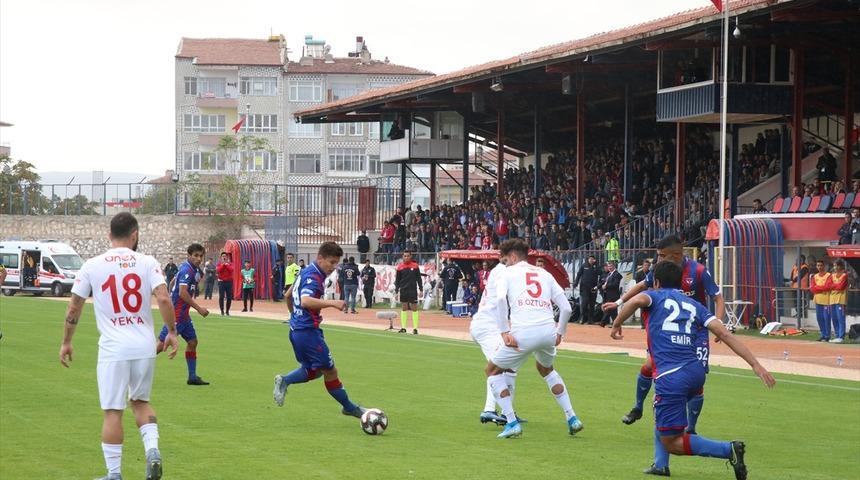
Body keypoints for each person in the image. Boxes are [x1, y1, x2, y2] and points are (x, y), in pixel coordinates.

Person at [610, 260, 775, 479]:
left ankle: (729, 449)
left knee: (672, 443)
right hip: (695, 372)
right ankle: (660, 465)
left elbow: (638, 299)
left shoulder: (654, 296)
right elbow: (725, 334)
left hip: (671, 376)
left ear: (656, 282)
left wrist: (617, 323)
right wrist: (756, 365)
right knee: (660, 412)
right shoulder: (695, 306)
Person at [59, 212, 179, 480]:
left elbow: (74, 305)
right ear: (135, 234)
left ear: (109, 235)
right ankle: (152, 451)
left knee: (113, 411)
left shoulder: (92, 265)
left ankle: (114, 474)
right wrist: (171, 332)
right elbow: (164, 298)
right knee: (141, 402)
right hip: (144, 345)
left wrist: (67, 341)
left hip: (114, 348)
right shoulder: (148, 262)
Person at [602, 234, 724, 469]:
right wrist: (618, 304)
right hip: (667, 332)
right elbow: (641, 287)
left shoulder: (698, 271)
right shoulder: (661, 271)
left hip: (695, 331)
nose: (656, 259)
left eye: (660, 255)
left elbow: (717, 297)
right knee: (651, 366)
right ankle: (639, 407)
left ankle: (691, 427)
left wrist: (718, 324)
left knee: (696, 380)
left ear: (675, 255)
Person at [489, 239, 581, 439]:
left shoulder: (507, 273)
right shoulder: (544, 273)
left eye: (505, 260)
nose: (505, 264)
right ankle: (572, 418)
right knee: (546, 369)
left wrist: (504, 331)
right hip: (548, 331)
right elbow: (566, 307)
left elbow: (499, 300)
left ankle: (511, 421)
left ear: (512, 256)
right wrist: (560, 333)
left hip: (523, 333)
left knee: (492, 371)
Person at [273, 241, 366, 419]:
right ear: (320, 258)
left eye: (336, 263)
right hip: (307, 333)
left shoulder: (305, 271)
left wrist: (294, 316)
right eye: (331, 262)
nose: (333, 267)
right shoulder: (314, 276)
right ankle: (349, 407)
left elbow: (288, 295)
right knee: (330, 371)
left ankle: (285, 380)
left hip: (298, 331)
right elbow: (306, 300)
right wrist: (333, 302)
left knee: (315, 370)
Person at [469, 253, 516, 426]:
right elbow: (504, 298)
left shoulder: (499, 270)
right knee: (497, 368)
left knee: (510, 367)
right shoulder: (503, 271)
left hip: (489, 325)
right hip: (487, 326)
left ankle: (508, 412)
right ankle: (489, 410)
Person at [157, 243, 210, 386]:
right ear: (189, 255)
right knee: (161, 346)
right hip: (178, 315)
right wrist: (199, 309)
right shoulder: (188, 269)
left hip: (184, 315)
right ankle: (132, 367)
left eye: (200, 256)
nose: (199, 259)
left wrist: (170, 294)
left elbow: (173, 281)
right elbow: (182, 292)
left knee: (192, 342)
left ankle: (192, 377)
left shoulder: (188, 268)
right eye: (196, 256)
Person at [395, 250, 423, 334]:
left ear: (411, 256)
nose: (406, 257)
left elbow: (419, 278)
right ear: (402, 257)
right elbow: (397, 280)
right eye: (404, 256)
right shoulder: (400, 267)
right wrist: (396, 291)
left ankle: (415, 328)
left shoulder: (415, 266)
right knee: (404, 308)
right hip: (403, 290)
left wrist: (421, 289)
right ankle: (403, 327)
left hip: (412, 290)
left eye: (407, 256)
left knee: (414, 308)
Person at [810, 260, 832, 342]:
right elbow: (812, 288)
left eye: (821, 265)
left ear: (824, 266)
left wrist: (817, 288)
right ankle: (822, 334)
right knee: (819, 318)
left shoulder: (828, 275)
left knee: (826, 318)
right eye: (818, 265)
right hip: (818, 300)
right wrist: (821, 288)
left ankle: (827, 335)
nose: (819, 267)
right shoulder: (815, 276)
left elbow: (828, 287)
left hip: (826, 300)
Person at [573, 255, 599, 325]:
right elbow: (579, 275)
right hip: (584, 288)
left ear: (594, 260)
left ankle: (590, 319)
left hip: (593, 288)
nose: (591, 260)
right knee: (584, 303)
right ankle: (582, 318)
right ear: (588, 259)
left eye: (592, 259)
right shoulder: (584, 266)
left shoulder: (596, 266)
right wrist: (576, 283)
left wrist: (596, 265)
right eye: (590, 259)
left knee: (592, 304)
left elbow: (601, 273)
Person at [829, 259, 848, 343]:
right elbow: (828, 286)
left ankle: (841, 336)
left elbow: (841, 287)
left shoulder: (844, 275)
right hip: (832, 299)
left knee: (841, 318)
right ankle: (837, 335)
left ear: (841, 266)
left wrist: (834, 286)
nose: (835, 267)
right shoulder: (832, 275)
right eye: (834, 266)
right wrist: (835, 286)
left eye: (836, 265)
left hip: (841, 300)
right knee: (834, 318)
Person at [599, 261, 622, 327]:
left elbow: (615, 284)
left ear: (614, 266)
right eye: (608, 266)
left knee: (609, 308)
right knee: (613, 311)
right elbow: (604, 282)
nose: (609, 267)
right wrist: (601, 286)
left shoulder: (617, 274)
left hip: (613, 295)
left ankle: (603, 322)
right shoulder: (609, 274)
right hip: (608, 294)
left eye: (611, 266)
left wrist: (606, 286)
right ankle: (616, 323)